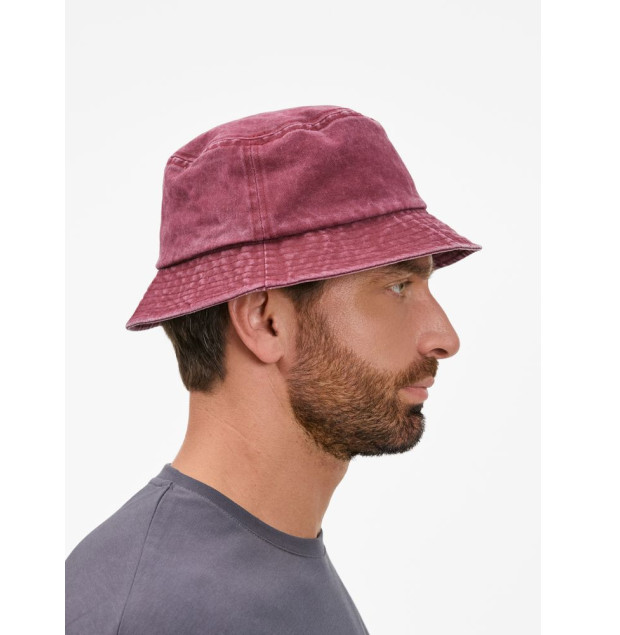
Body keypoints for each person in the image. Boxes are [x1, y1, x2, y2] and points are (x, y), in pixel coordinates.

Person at [66, 105, 481, 634]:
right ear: (265, 323)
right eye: (398, 286)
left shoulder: (268, 559)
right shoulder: (155, 611)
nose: (445, 338)